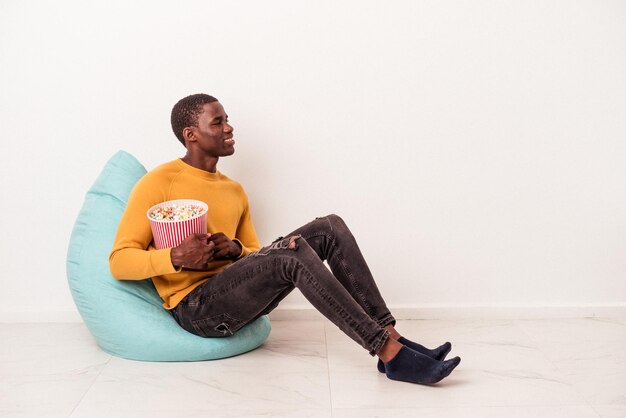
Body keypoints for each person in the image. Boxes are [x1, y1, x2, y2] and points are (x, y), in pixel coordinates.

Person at [109, 93, 461, 385]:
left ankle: (392, 336)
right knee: (289, 256)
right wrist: (174, 257)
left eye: (227, 119)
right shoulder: (159, 182)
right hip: (196, 309)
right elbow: (119, 261)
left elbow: (254, 255)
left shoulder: (234, 191)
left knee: (330, 226)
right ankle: (387, 352)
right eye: (217, 122)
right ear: (191, 134)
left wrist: (234, 251)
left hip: (233, 293)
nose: (229, 127)